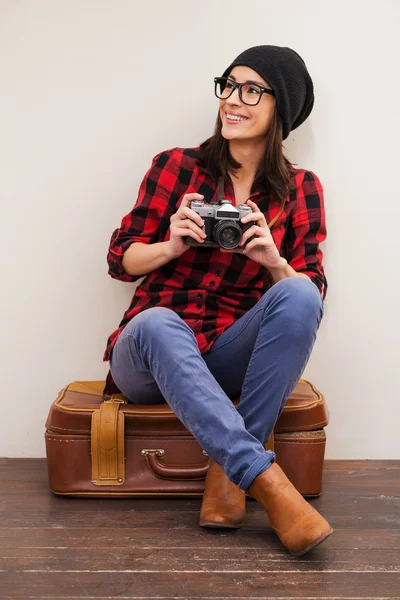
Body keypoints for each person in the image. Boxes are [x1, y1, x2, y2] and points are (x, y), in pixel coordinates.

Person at [102, 45, 333, 556]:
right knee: (159, 321)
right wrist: (170, 244)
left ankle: (228, 480)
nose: (233, 99)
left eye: (252, 90)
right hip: (150, 354)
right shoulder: (176, 167)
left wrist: (273, 260)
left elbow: (310, 295)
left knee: (295, 289)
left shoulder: (300, 189)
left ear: (282, 110)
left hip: (227, 352)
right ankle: (265, 482)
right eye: (228, 85)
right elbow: (120, 259)